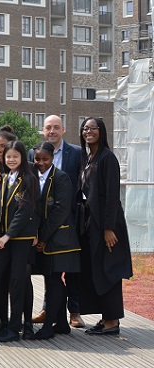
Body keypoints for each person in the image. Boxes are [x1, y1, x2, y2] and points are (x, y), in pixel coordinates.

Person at [0, 141, 39, 343]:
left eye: (15, 156)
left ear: (22, 158)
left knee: (17, 282)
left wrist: (7, 235)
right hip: (1, 239)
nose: (11, 159)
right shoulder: (4, 178)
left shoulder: (29, 179)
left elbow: (24, 212)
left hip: (19, 239)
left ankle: (14, 328)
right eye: (7, 156)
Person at [76, 117, 132, 336]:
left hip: (106, 226)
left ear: (102, 131)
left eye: (93, 128)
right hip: (92, 224)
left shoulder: (108, 158)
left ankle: (112, 321)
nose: (88, 131)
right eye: (85, 128)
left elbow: (111, 196)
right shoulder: (89, 158)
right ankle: (105, 317)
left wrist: (109, 229)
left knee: (108, 271)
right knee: (97, 270)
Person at [29, 115, 84, 328]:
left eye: (56, 127)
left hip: (65, 225)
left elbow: (77, 190)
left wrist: (43, 234)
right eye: (48, 127)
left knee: (63, 274)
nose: (52, 131)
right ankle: (54, 316)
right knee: (50, 274)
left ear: (64, 129)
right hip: (43, 227)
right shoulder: (34, 162)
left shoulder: (75, 155)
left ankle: (72, 312)